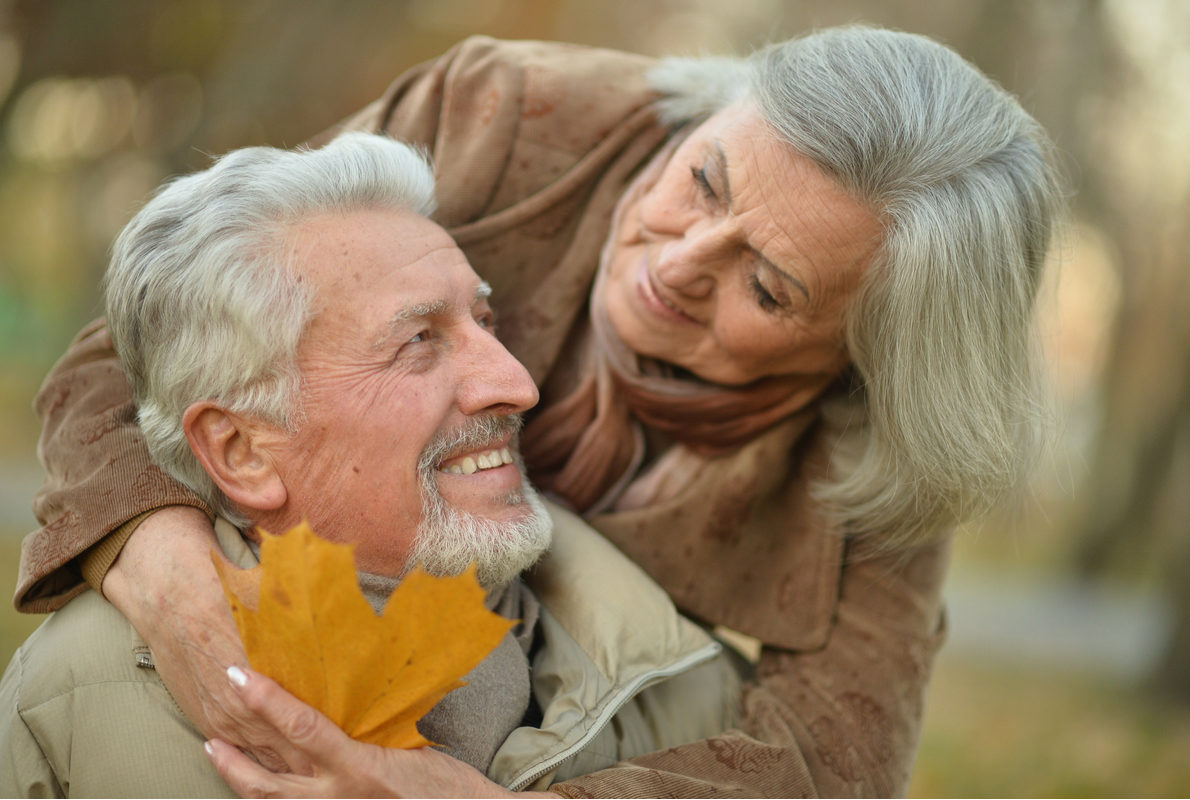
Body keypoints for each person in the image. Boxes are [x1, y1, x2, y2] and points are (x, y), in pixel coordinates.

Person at [15, 25, 1062, 797]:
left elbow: (834, 762)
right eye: (703, 179)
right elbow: (152, 332)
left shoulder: (889, 443)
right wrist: (160, 570)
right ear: (709, 116)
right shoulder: (506, 117)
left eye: (770, 286)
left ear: (861, 359)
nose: (678, 259)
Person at [0, 133, 738, 797]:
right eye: (418, 339)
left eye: (484, 321)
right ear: (243, 451)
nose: (516, 382)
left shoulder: (679, 683)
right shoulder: (67, 702)